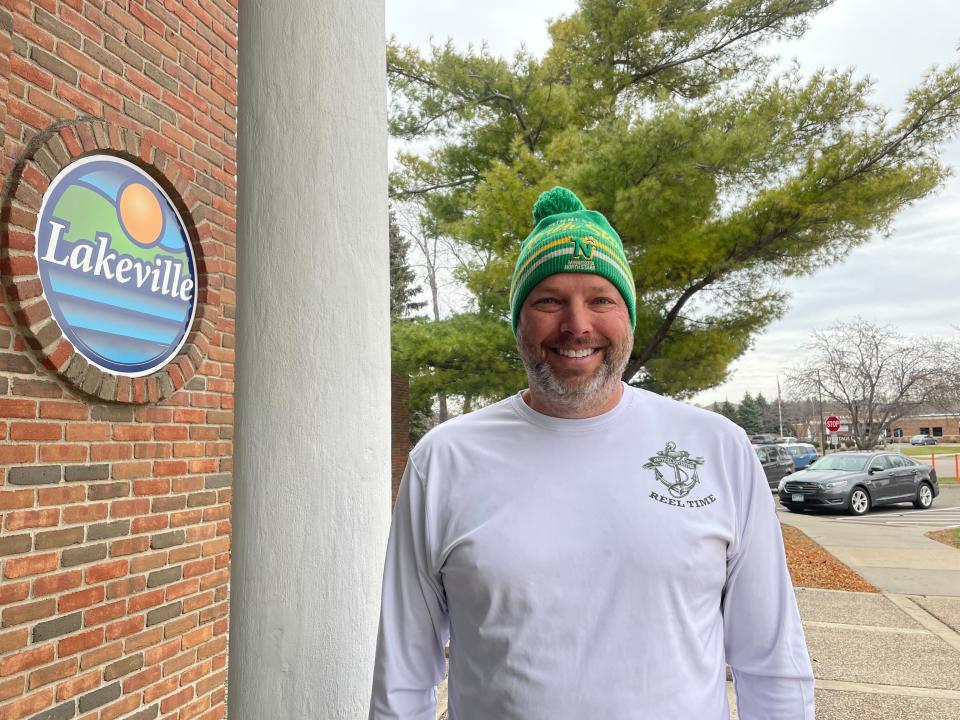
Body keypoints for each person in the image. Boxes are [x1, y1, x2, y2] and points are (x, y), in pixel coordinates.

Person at [369, 187, 814, 719]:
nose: (577, 325)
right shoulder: (444, 460)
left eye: (600, 299)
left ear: (627, 317)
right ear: (519, 320)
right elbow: (403, 671)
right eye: (549, 300)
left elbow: (770, 658)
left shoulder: (716, 447)